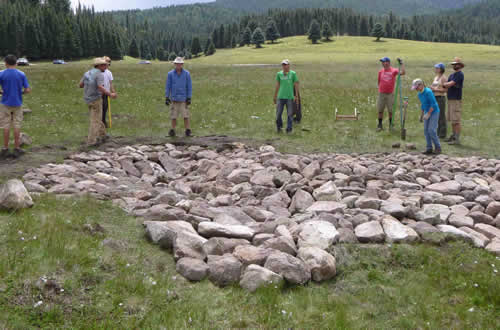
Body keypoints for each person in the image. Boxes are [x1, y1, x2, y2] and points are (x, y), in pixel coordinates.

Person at [79, 57, 116, 147]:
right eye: (104, 65)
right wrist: (110, 94)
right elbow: (100, 87)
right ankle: (91, 141)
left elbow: (80, 85)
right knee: (95, 121)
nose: (106, 67)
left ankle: (103, 135)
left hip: (88, 99)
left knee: (98, 118)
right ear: (99, 66)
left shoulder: (87, 73)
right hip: (96, 99)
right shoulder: (99, 74)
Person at [0, 54, 31, 159]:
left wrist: (1, 92)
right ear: (16, 63)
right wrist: (21, 93)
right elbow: (27, 90)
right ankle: (17, 148)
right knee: (17, 125)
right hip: (17, 103)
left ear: (6, 63)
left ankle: (5, 148)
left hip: (5, 102)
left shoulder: (1, 74)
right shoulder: (21, 74)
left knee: (6, 125)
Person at [412, 78, 441, 155]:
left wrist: (428, 114)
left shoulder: (428, 92)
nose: (416, 89)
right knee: (426, 130)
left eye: (416, 87)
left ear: (421, 85)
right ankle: (429, 148)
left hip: (434, 112)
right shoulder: (419, 94)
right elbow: (423, 104)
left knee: (431, 130)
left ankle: (438, 147)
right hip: (426, 112)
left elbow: (433, 104)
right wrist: (421, 115)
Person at [165, 57, 192, 137]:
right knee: (173, 116)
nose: (178, 65)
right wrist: (167, 97)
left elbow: (189, 86)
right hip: (174, 98)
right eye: (177, 64)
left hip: (184, 99)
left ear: (182, 64)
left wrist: (189, 97)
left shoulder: (187, 74)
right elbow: (168, 86)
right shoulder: (170, 74)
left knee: (185, 115)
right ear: (174, 64)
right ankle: (172, 130)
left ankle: (187, 130)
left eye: (180, 64)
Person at [377, 57, 405, 131]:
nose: (383, 63)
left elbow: (403, 72)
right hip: (381, 93)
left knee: (390, 110)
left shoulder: (394, 70)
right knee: (380, 110)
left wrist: (401, 64)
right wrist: (380, 90)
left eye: (384, 62)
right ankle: (380, 125)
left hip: (390, 94)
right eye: (382, 62)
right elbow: (379, 82)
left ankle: (391, 125)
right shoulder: (380, 72)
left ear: (388, 62)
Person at [443, 57, 465, 145]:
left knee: (456, 120)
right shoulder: (451, 75)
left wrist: (444, 84)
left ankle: (457, 138)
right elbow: (446, 86)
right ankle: (453, 136)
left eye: (456, 64)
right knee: (452, 119)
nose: (454, 65)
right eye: (453, 64)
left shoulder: (460, 74)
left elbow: (450, 84)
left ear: (460, 65)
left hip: (456, 99)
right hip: (450, 98)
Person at [273, 59, 299, 133]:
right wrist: (275, 96)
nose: (284, 66)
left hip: (289, 97)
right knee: (278, 114)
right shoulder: (279, 74)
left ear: (289, 65)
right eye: (283, 65)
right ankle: (279, 127)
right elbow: (277, 85)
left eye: (285, 64)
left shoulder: (293, 74)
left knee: (290, 114)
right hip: (280, 97)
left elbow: (296, 85)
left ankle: (289, 129)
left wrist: (296, 96)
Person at [430, 63, 448, 138]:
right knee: (436, 115)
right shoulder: (436, 77)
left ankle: (442, 134)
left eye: (437, 68)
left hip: (441, 98)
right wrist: (431, 88)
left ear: (441, 69)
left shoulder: (444, 78)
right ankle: (437, 132)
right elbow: (434, 86)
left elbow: (445, 90)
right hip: (435, 97)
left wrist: (435, 89)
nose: (436, 69)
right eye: (435, 68)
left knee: (441, 116)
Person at [102, 56, 116, 128]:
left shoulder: (109, 73)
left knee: (105, 108)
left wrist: (113, 92)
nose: (108, 65)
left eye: (109, 64)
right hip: (99, 94)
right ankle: (101, 122)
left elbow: (111, 83)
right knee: (100, 108)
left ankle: (103, 121)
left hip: (106, 93)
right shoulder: (99, 72)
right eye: (106, 63)